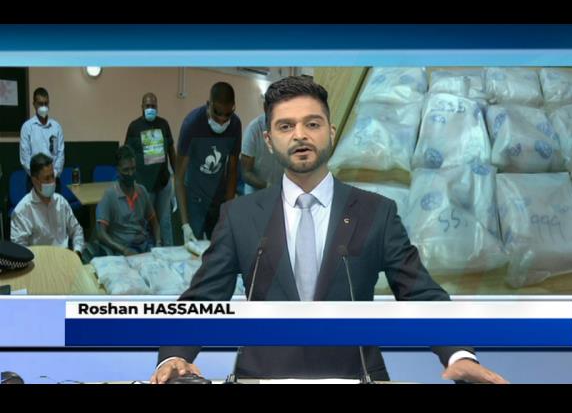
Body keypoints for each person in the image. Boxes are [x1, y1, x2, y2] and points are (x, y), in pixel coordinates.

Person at [152, 76, 507, 384]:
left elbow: (419, 292)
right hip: (262, 375)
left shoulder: (376, 212)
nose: (300, 135)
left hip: (354, 373)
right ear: (269, 140)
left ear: (331, 132)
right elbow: (202, 299)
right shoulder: (240, 215)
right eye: (286, 127)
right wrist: (174, 357)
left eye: (312, 124)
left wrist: (459, 354)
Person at [176, 82, 241, 243]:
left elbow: (232, 171)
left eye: (227, 114)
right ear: (208, 104)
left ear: (233, 107)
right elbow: (178, 177)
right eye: (217, 113)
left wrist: (228, 212)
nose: (222, 120)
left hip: (218, 199)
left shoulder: (235, 125)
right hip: (194, 199)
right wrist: (185, 225)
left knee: (221, 246)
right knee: (193, 248)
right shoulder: (192, 124)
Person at [125, 92, 176, 246]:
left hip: (163, 183)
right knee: (145, 223)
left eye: (153, 106)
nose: (150, 109)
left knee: (165, 223)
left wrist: (177, 175)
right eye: (148, 106)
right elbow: (127, 155)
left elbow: (171, 151)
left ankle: (168, 252)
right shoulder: (134, 127)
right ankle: (147, 253)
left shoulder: (163, 124)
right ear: (142, 106)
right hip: (144, 185)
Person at [11, 153, 84, 259]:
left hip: (64, 258)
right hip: (38, 262)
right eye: (47, 178)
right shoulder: (22, 211)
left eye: (53, 176)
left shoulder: (61, 202)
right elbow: (19, 250)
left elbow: (76, 230)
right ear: (34, 180)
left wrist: (77, 252)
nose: (52, 182)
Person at [93, 145, 161, 256]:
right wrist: (123, 249)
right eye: (126, 170)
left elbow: (154, 222)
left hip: (144, 245)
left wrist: (158, 243)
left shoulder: (142, 191)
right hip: (122, 249)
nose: (130, 173)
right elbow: (101, 233)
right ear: (117, 170)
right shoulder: (110, 195)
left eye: (133, 168)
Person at [19, 87, 64, 193]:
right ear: (34, 104)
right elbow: (25, 159)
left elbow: (60, 154)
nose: (44, 107)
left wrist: (53, 174)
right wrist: (38, 177)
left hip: (54, 179)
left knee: (55, 204)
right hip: (35, 181)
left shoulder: (56, 127)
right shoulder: (27, 127)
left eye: (46, 103)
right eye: (40, 103)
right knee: (35, 204)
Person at [240, 101, 285, 194]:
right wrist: (267, 186)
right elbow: (246, 173)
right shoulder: (254, 130)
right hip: (255, 195)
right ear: (265, 107)